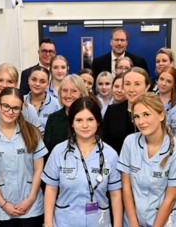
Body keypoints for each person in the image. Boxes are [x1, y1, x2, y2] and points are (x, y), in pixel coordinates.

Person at [42, 97, 123, 227]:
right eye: (79, 120)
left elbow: (115, 195)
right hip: (64, 222)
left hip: (98, 222)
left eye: (90, 120)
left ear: (98, 122)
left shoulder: (110, 154)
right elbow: (51, 188)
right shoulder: (59, 151)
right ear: (72, 123)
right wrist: (48, 223)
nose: (85, 125)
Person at [0, 87, 47, 226]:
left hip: (31, 208)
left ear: (21, 109)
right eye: (6, 106)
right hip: (1, 210)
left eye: (15, 108)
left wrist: (30, 200)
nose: (10, 112)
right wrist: (4, 204)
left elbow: (39, 169)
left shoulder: (32, 132)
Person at [118, 92, 176, 227]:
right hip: (133, 220)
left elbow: (171, 198)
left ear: (161, 115)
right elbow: (126, 188)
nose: (141, 121)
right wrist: (133, 223)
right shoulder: (130, 142)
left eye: (146, 115)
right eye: (136, 117)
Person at [102, 67, 151, 154]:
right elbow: (105, 146)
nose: (131, 89)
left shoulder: (154, 113)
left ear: (147, 87)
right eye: (127, 84)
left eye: (137, 84)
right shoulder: (112, 111)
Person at [44, 75, 89, 153]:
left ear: (81, 94)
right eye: (64, 90)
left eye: (74, 91)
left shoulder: (90, 117)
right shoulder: (53, 119)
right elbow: (47, 150)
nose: (68, 95)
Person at [24, 66, 61, 130]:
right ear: (28, 80)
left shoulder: (57, 105)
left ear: (48, 84)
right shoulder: (19, 101)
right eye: (34, 80)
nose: (37, 84)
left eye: (42, 81)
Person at [156, 66, 176, 135]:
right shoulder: (148, 100)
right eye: (161, 79)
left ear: (174, 85)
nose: (163, 84)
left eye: (168, 81)